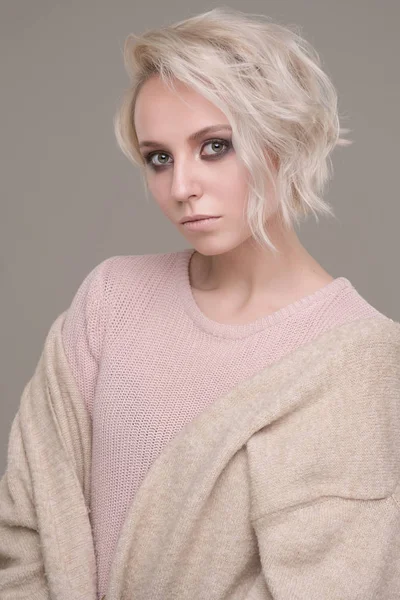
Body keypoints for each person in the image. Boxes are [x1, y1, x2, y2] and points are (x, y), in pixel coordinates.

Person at [1, 7, 400, 600]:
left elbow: (337, 583)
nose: (180, 186)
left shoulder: (359, 356)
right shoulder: (111, 299)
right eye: (158, 157)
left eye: (214, 146)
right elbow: (26, 528)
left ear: (281, 141)